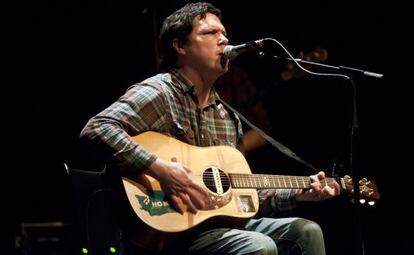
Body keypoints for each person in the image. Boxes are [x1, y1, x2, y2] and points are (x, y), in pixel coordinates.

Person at [80, 2, 340, 255]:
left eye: (224, 33)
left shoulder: (228, 116)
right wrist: (160, 169)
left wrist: (301, 193)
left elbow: (243, 197)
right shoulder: (159, 92)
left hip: (220, 229)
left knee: (306, 231)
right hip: (170, 231)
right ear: (180, 45)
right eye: (211, 32)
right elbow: (98, 128)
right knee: (259, 246)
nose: (224, 40)